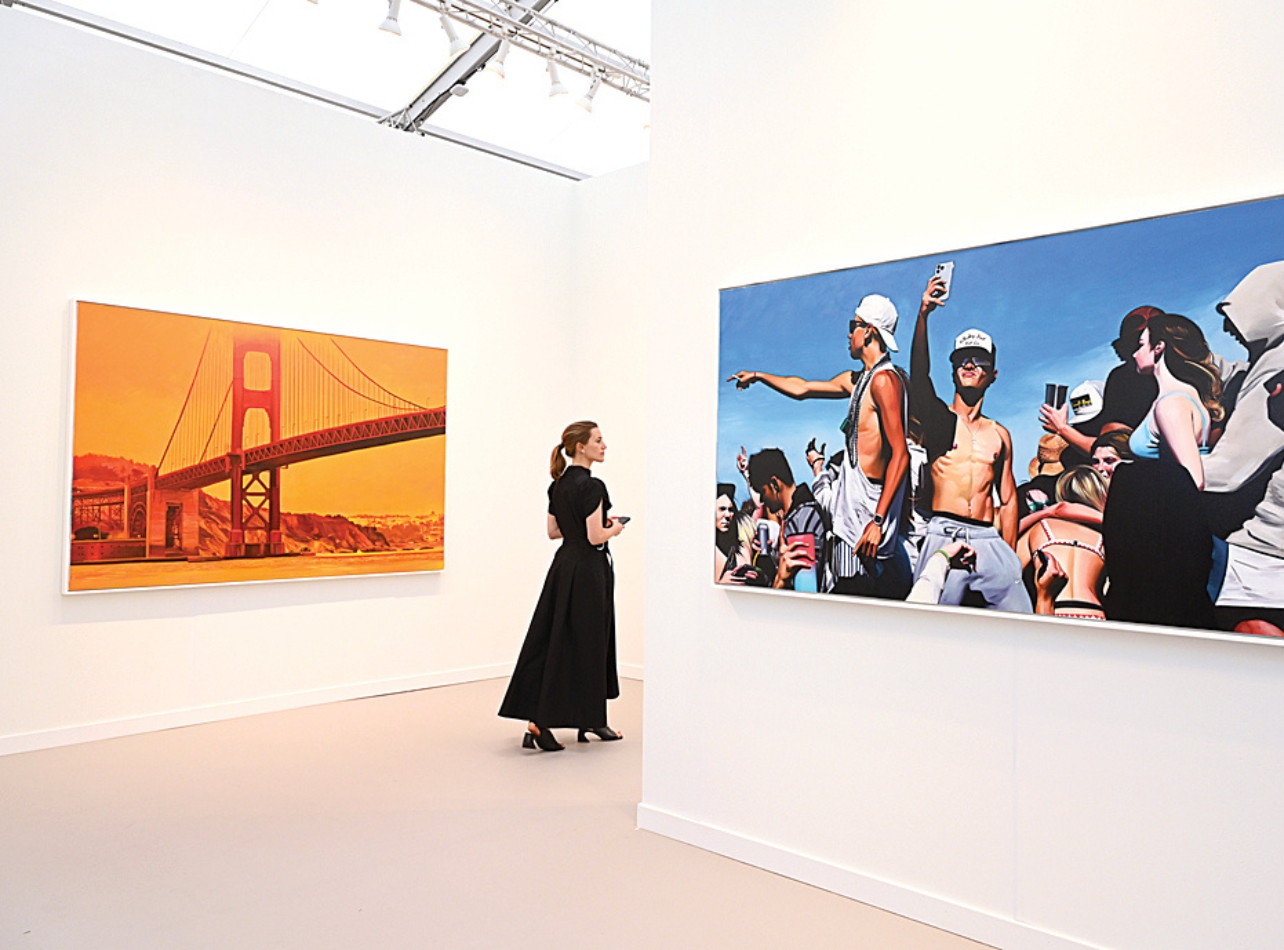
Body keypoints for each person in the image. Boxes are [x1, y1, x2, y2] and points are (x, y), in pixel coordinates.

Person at [729, 294, 911, 598]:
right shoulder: (858, 380)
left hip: (868, 526)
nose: (848, 334)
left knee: (863, 610)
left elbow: (900, 454)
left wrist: (878, 521)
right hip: (849, 524)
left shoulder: (884, 381)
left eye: (852, 326)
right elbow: (802, 387)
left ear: (869, 331)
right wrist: (759, 376)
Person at [498, 421, 627, 752]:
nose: (604, 445)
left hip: (563, 567)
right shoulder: (593, 486)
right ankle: (556, 721)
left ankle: (569, 717)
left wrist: (594, 527)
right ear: (581, 447)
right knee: (589, 642)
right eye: (599, 440)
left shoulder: (557, 486)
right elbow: (594, 536)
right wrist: (614, 528)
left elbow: (554, 532)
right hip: (588, 570)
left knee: (555, 639)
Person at [909, 272, 1030, 612]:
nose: (969, 364)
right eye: (962, 358)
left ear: (992, 374)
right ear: (952, 371)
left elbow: (1007, 500)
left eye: (979, 360)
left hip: (989, 538)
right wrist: (924, 314)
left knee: (1020, 621)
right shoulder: (939, 421)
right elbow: (919, 378)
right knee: (933, 630)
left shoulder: (1000, 434)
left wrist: (1008, 554)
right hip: (942, 532)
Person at [1102, 314, 1221, 629]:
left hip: (1168, 543)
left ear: (1158, 348)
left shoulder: (1170, 405)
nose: (1134, 353)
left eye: (1141, 345)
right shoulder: (1183, 398)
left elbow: (1192, 478)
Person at [1199, 262, 1284, 631]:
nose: (1226, 327)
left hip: (1260, 555)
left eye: (1237, 311)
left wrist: (1148, 478)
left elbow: (1229, 472)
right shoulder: (1266, 362)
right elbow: (1238, 375)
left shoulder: (1277, 370)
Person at [1017, 467, 1108, 620]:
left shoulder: (1041, 528)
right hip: (1095, 614)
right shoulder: (1104, 537)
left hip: (1055, 609)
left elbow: (1010, 571)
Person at [746, 449, 825, 591]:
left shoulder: (803, 519)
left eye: (762, 492)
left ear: (775, 484)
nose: (762, 500)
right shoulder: (795, 517)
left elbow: (805, 587)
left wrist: (780, 581)